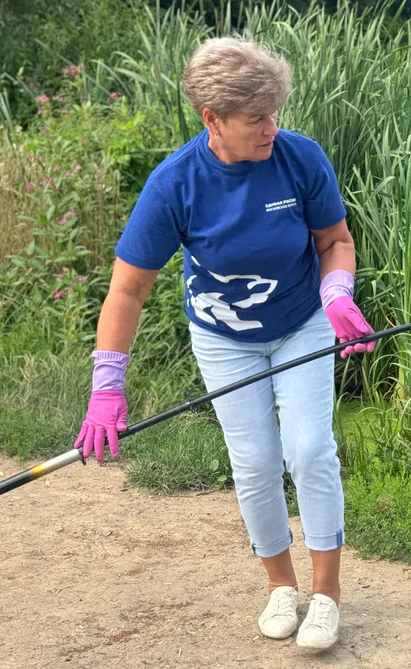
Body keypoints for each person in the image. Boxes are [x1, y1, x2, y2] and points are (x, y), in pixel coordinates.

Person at [73, 36, 377, 651]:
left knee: (311, 450)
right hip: (225, 339)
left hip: (302, 322)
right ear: (212, 119)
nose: (272, 127)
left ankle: (326, 599)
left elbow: (334, 242)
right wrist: (107, 386)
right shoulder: (175, 184)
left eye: (275, 112)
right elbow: (127, 291)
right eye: (255, 118)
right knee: (257, 464)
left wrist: (338, 294)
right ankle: (280, 588)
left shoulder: (300, 158)